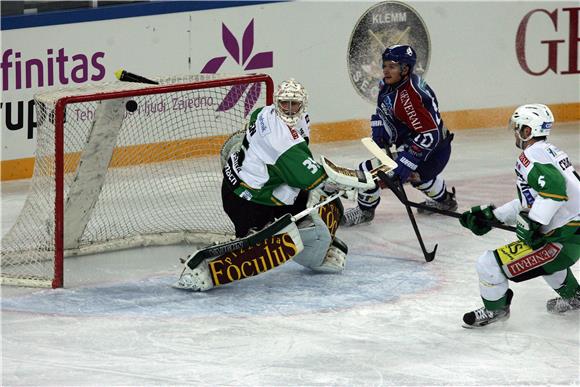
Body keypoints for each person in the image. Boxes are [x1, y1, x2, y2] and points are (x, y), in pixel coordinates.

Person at [459, 104, 580, 328]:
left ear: (527, 131)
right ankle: (574, 297)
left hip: (563, 239)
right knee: (548, 263)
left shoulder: (530, 156)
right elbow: (533, 201)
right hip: (571, 235)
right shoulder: (549, 151)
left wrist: (534, 223)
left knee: (488, 263)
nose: (515, 132)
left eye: (518, 128)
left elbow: (554, 191)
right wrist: (494, 217)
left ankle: (495, 310)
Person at [341, 44, 457, 226]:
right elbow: (384, 108)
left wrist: (406, 162)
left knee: (368, 170)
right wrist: (380, 124)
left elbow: (429, 135)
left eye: (392, 66)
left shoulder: (410, 97)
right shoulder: (389, 84)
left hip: (432, 152)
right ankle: (445, 201)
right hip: (422, 147)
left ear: (405, 69)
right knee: (419, 179)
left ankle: (365, 211)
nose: (386, 70)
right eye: (385, 65)